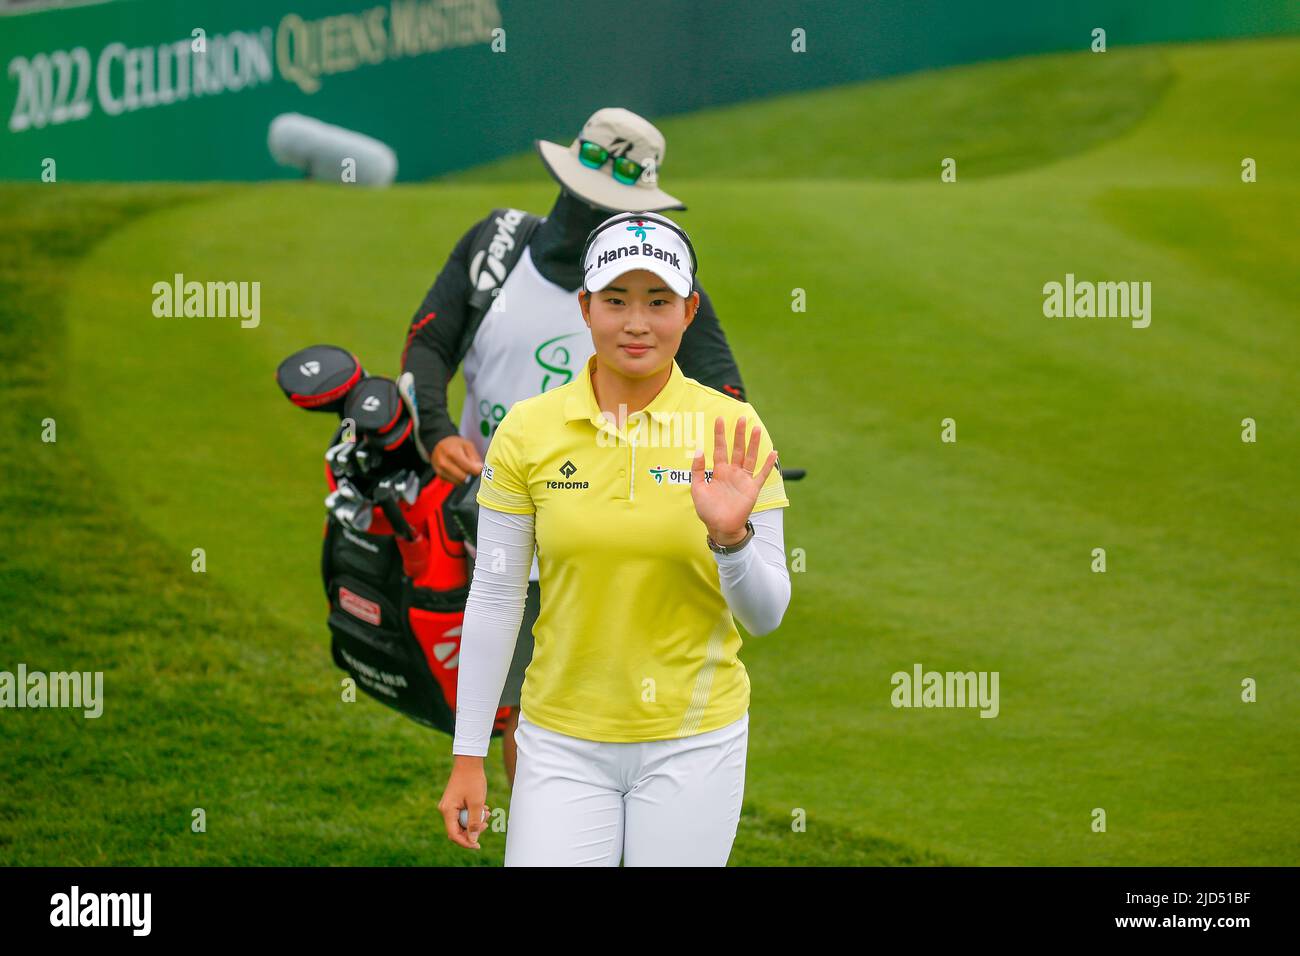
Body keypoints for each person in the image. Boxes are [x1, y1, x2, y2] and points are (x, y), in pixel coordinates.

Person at [401, 107, 750, 786]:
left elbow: (727, 397)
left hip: (611, 537)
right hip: (496, 523)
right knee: (522, 718)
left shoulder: (658, 289)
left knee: (593, 718)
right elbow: (428, 345)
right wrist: (437, 434)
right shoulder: (495, 244)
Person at [437, 210, 793, 866]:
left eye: (658, 302)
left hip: (694, 740)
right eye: (616, 300)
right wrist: (468, 759)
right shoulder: (527, 430)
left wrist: (732, 537)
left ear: (689, 313)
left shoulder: (732, 431)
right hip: (559, 740)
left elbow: (766, 615)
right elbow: (493, 598)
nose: (636, 322)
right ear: (585, 306)